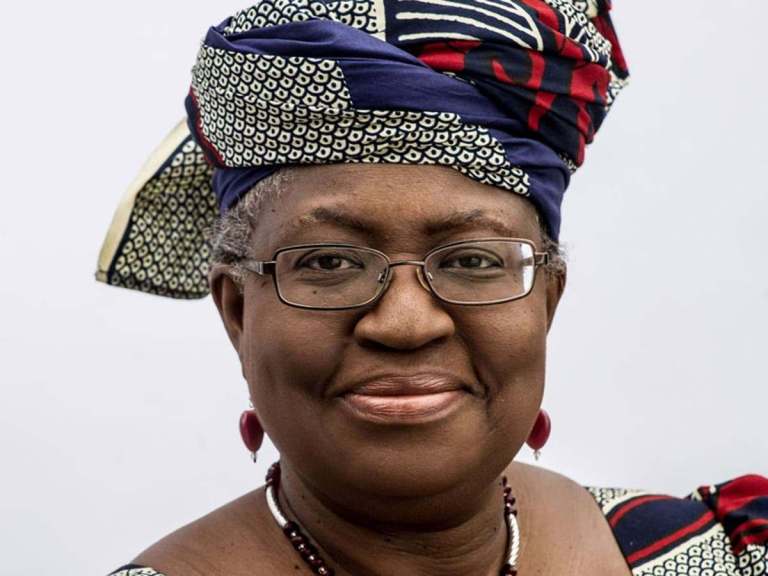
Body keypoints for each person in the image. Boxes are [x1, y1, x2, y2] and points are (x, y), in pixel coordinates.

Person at [97, 1, 768, 574]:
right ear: (238, 312)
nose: (405, 324)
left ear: (546, 299)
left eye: (472, 260)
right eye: (328, 262)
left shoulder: (719, 555)